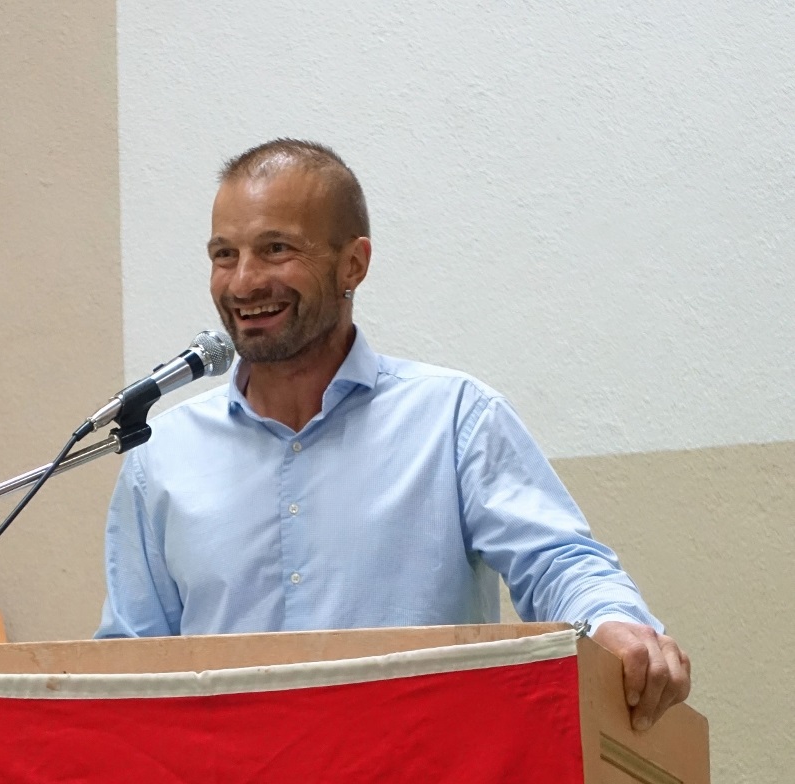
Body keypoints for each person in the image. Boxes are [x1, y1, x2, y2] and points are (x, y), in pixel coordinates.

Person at [95, 139, 690, 731]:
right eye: (225, 254)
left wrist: (611, 621)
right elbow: (128, 668)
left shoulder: (454, 419)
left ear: (353, 262)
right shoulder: (161, 454)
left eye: (276, 249)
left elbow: (558, 562)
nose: (244, 282)